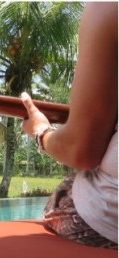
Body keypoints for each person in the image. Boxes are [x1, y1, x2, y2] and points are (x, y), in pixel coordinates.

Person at [21, 2, 117, 249]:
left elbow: (81, 152)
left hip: (107, 223)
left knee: (66, 193)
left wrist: (41, 132)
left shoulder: (108, 8)